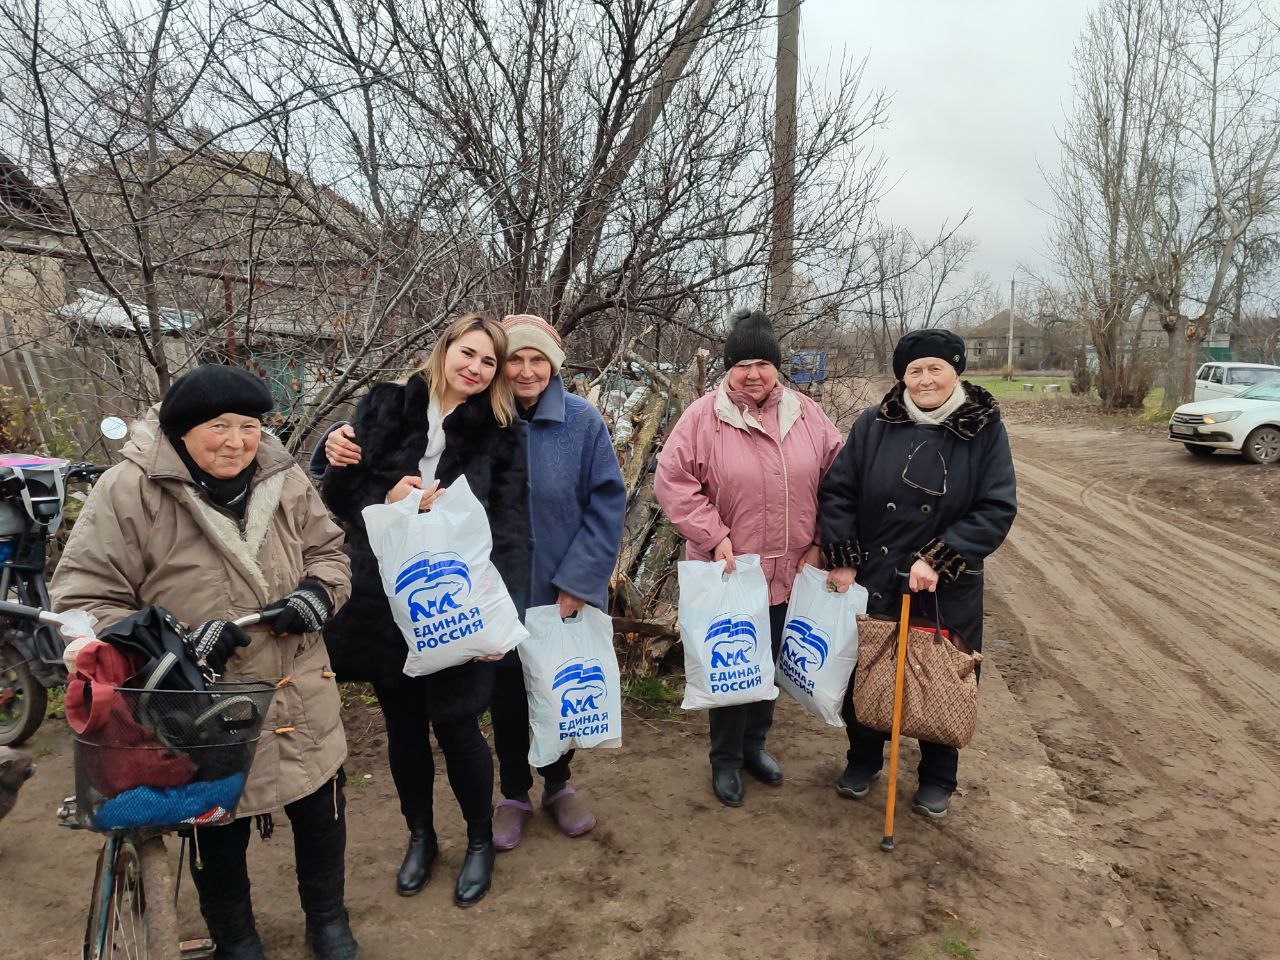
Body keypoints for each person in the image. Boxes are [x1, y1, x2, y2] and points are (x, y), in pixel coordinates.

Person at [51, 364, 357, 960]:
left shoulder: (282, 474)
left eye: (249, 425)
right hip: (201, 699)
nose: (238, 441)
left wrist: (318, 594)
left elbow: (329, 550)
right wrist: (175, 643)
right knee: (216, 825)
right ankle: (235, 939)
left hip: (298, 685)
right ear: (182, 431)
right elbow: (83, 603)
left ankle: (329, 921)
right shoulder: (128, 490)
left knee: (321, 805)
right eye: (220, 426)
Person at [322, 314, 626, 851]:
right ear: (448, 352)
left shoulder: (574, 422)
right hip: (447, 591)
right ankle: (512, 794)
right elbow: (344, 480)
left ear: (554, 368)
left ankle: (557, 785)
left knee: (560, 685)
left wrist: (581, 577)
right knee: (506, 696)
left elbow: (605, 502)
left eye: (536, 360)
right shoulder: (470, 419)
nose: (523, 370)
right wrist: (333, 450)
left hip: (549, 580)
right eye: (513, 359)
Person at [319, 313, 530, 908]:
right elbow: (336, 490)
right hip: (385, 601)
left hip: (459, 603)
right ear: (444, 351)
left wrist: (500, 614)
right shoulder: (385, 407)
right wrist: (383, 493)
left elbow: (514, 526)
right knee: (403, 725)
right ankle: (421, 835)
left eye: (489, 362)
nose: (476, 368)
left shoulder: (499, 432)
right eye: (469, 353)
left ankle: (480, 841)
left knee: (459, 724)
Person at [819, 328, 1017, 819]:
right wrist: (843, 555)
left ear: (955, 371)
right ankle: (863, 759)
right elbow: (839, 492)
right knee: (866, 671)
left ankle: (937, 777)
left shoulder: (984, 428)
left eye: (935, 369)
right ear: (902, 377)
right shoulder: (874, 424)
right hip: (878, 571)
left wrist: (940, 556)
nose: (925, 379)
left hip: (944, 581)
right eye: (915, 371)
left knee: (940, 675)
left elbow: (996, 506)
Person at [654, 308, 844, 807]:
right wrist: (714, 535)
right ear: (728, 368)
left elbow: (838, 481)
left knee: (770, 668)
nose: (753, 374)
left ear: (777, 365)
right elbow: (673, 482)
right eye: (742, 364)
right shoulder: (703, 417)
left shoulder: (807, 415)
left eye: (763, 362)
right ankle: (725, 761)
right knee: (732, 667)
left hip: (791, 570)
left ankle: (755, 747)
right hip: (731, 572)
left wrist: (822, 541)